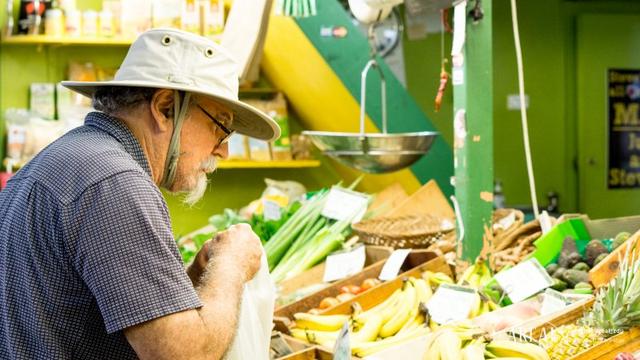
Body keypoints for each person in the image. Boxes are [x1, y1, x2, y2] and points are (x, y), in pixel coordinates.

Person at [0, 28, 280, 360]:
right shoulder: (115, 183)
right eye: (219, 126)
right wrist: (230, 265)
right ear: (164, 108)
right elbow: (186, 356)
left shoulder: (67, 157)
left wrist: (193, 277)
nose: (223, 150)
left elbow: (92, 309)